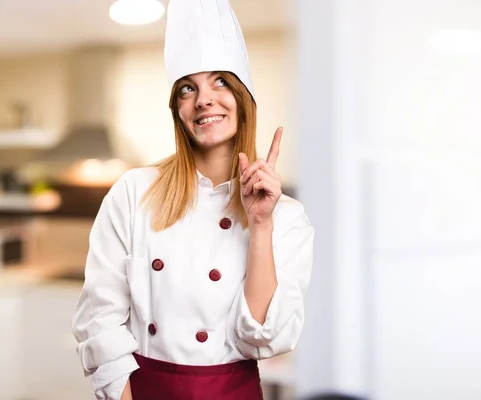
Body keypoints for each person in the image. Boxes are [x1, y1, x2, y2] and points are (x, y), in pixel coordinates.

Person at [72, 0, 314, 399]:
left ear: (243, 98)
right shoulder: (134, 192)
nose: (204, 99)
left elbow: (265, 338)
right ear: (178, 110)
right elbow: (100, 316)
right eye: (188, 88)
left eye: (220, 81)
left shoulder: (286, 217)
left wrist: (261, 226)